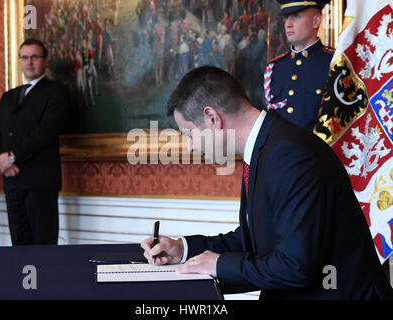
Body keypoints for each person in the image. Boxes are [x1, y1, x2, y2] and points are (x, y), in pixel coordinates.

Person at [141, 66, 393, 300]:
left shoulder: (291, 155)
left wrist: (218, 265)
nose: (192, 146)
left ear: (212, 118)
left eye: (189, 134)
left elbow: (295, 266)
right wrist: (183, 249)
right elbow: (259, 240)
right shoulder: (268, 145)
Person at [0, 39, 69, 245]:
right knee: (18, 246)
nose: (29, 62)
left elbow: (46, 132)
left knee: (43, 248)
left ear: (45, 60)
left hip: (40, 183)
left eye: (35, 57)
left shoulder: (56, 91)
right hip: (11, 181)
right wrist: (1, 163)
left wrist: (12, 157)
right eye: (24, 57)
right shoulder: (9, 96)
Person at [264, 0, 334, 131]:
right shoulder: (275, 68)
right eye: (286, 18)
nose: (288, 24)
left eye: (296, 16)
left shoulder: (334, 63)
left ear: (316, 21)